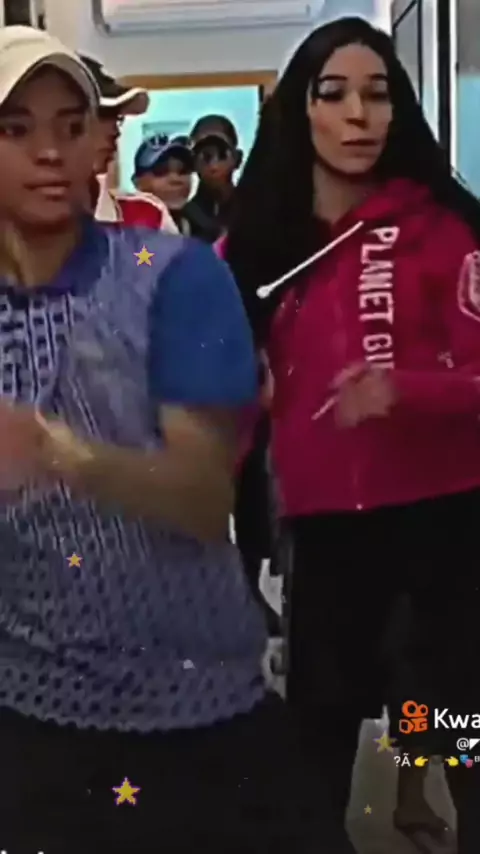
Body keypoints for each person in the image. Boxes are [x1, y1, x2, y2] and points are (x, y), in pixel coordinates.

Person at [0, 24, 338, 854]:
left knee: (424, 708)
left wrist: (60, 453)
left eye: (71, 126)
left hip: (193, 699)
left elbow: (200, 494)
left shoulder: (172, 273)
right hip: (31, 710)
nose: (49, 152)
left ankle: (437, 770)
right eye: (15, 129)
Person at [222, 15, 480, 854]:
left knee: (444, 703)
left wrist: (408, 390)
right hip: (321, 522)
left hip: (442, 514)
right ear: (300, 110)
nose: (359, 116)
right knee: (323, 720)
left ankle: (426, 794)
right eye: (334, 94)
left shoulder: (444, 228)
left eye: (378, 95)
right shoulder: (254, 246)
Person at [80, 54, 177, 231]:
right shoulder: (26, 226)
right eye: (101, 115)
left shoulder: (148, 218)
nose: (115, 131)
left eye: (117, 118)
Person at [132, 133, 218, 240]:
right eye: (161, 171)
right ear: (138, 182)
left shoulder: (206, 231)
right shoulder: (124, 235)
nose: (175, 179)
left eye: (183, 171)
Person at [190, 114, 242, 239]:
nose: (213, 166)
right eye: (205, 156)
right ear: (193, 162)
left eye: (222, 154)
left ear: (237, 159)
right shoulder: (183, 218)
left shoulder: (254, 211)